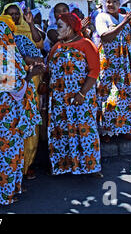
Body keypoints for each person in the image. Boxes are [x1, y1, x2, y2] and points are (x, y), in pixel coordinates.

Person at [0, 13, 44, 205]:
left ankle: (10, 187)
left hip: (2, 116)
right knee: (4, 155)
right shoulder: (2, 53)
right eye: (8, 32)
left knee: (4, 153)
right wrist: (31, 73)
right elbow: (12, 85)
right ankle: (3, 193)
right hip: (4, 118)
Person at [44, 13, 102, 176]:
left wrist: (82, 94)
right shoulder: (57, 47)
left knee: (84, 130)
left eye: (60, 26)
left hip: (80, 99)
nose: (57, 30)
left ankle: (89, 166)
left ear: (70, 27)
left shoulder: (86, 45)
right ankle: (64, 165)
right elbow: (49, 70)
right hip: (60, 100)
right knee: (61, 131)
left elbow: (94, 71)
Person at [95, 0, 131, 142]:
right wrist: (123, 23)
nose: (111, 4)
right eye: (108, 1)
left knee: (125, 95)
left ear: (120, 3)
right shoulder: (102, 17)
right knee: (108, 95)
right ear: (104, 3)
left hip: (125, 62)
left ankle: (124, 128)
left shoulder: (124, 17)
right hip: (109, 62)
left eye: (115, 1)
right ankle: (106, 130)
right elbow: (105, 37)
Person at [2, 3, 44, 180]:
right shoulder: (0, 37)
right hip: (12, 85)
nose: (14, 17)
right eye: (9, 14)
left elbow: (40, 47)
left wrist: (31, 23)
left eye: (16, 14)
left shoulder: (25, 32)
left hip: (31, 82)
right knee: (14, 124)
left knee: (30, 122)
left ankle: (28, 164)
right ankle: (15, 167)